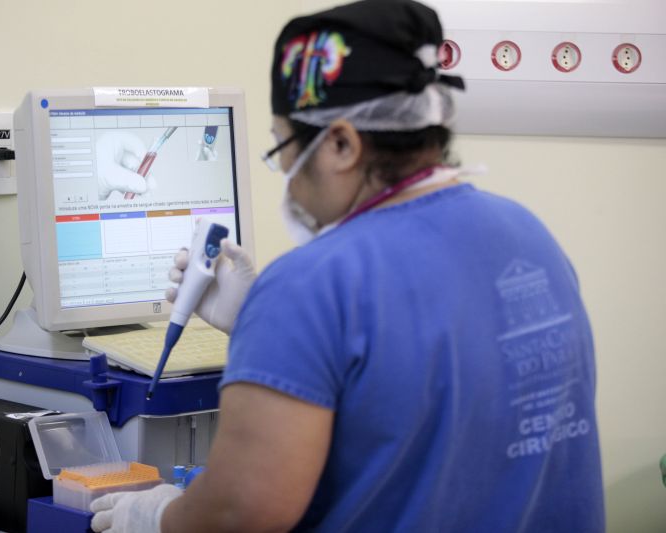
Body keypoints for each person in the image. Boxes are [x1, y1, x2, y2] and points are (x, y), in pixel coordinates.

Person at [90, 0, 605, 531]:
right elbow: (437, 404)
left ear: (340, 143)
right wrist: (267, 331)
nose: (286, 167)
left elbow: (242, 510)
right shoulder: (527, 234)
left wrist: (154, 514)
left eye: (285, 145)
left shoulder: (313, 284)